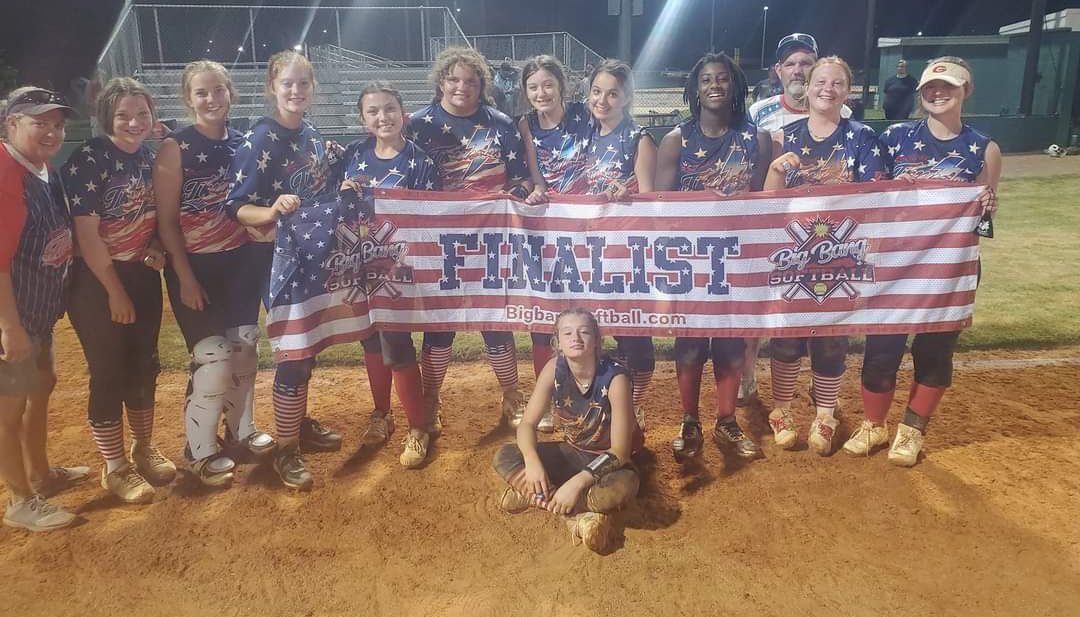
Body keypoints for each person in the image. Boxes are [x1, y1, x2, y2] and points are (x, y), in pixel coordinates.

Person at [845, 56, 1000, 466]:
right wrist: (896, 190)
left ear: (966, 90)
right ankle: (874, 425)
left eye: (948, 87)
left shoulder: (984, 148)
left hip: (948, 270)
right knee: (881, 351)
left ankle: (912, 430)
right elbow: (872, 200)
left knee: (934, 352)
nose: (937, 93)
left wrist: (986, 205)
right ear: (920, 93)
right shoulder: (895, 137)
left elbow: (984, 216)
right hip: (894, 266)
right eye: (931, 87)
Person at [153, 60, 275, 489]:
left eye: (218, 90)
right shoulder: (176, 147)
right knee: (213, 359)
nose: (211, 99)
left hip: (239, 261)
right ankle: (198, 449)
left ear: (230, 93)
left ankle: (241, 430)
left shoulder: (244, 143)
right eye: (202, 93)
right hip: (197, 265)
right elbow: (166, 221)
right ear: (189, 99)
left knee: (244, 350)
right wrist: (184, 276)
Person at [225, 50, 342, 490]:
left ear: (312, 88)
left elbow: (319, 189)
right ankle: (286, 449)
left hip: (308, 253)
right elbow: (236, 208)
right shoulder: (261, 138)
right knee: (293, 350)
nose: (295, 91)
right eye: (287, 84)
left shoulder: (310, 134)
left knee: (306, 345)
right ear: (272, 87)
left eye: (302, 84)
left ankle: (296, 424)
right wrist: (271, 209)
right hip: (272, 258)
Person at [406, 47, 533, 434]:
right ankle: (430, 399)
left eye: (471, 81)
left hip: (491, 240)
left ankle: (512, 394)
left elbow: (522, 178)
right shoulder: (417, 124)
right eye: (454, 79)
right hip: (438, 242)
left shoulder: (499, 123)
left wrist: (518, 195)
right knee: (439, 325)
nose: (462, 87)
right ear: (441, 81)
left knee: (496, 321)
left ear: (482, 86)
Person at [763, 56, 884, 455]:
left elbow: (876, 198)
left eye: (837, 83)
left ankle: (826, 412)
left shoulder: (862, 136)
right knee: (786, 339)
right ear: (808, 86)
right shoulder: (784, 136)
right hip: (794, 254)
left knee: (832, 338)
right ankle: (781, 410)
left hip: (841, 254)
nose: (827, 89)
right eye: (821, 81)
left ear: (847, 91)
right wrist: (777, 172)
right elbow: (766, 205)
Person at [654, 52, 771, 463]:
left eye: (722, 78)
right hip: (690, 260)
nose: (715, 85)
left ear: (736, 85)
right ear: (695, 88)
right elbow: (660, 206)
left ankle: (726, 420)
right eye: (706, 80)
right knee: (688, 345)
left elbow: (763, 204)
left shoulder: (756, 139)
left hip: (737, 258)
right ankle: (689, 420)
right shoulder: (676, 140)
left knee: (730, 344)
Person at [63, 77, 176, 503]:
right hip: (96, 280)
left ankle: (143, 448)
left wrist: (155, 246)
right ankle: (115, 468)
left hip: (141, 274)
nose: (134, 122)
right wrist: (114, 290)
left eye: (142, 114)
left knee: (145, 365)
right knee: (109, 371)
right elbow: (87, 236)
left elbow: (157, 217)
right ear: (107, 116)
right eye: (124, 115)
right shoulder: (89, 158)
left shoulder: (150, 157)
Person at [336, 81, 440, 468]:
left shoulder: (419, 161)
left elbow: (431, 218)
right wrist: (341, 191)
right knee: (370, 342)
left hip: (401, 270)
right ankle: (382, 413)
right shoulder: (352, 155)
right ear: (364, 119)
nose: (383, 117)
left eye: (390, 109)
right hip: (361, 267)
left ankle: (418, 428)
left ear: (403, 113)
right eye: (374, 111)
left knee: (397, 345)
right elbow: (335, 208)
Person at [0, 87, 87, 531]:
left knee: (42, 387)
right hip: (13, 315)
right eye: (40, 122)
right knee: (9, 409)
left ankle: (41, 474)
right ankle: (19, 500)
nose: (53, 131)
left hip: (37, 311)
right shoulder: (5, 172)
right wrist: (8, 327)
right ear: (12, 124)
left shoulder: (38, 168)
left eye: (58, 123)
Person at [492, 308, 642, 554]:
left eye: (584, 332)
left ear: (596, 340)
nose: (576, 338)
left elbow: (620, 452)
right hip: (573, 451)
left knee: (623, 487)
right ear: (558, 341)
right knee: (505, 456)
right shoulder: (554, 368)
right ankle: (579, 517)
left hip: (608, 461)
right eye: (568, 332)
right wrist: (531, 461)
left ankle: (535, 495)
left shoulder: (616, 379)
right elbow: (527, 425)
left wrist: (576, 484)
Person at [579, 58, 657, 429]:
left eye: (612, 93)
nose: (603, 100)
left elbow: (650, 199)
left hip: (626, 253)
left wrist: (630, 193)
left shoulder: (638, 138)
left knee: (632, 335)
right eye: (597, 92)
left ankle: (636, 405)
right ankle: (600, 403)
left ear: (626, 98)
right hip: (589, 252)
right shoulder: (585, 136)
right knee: (592, 331)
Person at [517, 54, 592, 433]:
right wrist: (536, 192)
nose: (541, 92)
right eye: (533, 87)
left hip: (590, 226)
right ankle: (549, 399)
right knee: (543, 315)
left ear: (561, 86)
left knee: (590, 313)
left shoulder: (583, 114)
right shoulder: (527, 124)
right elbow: (536, 176)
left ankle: (591, 396)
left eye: (548, 84)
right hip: (549, 228)